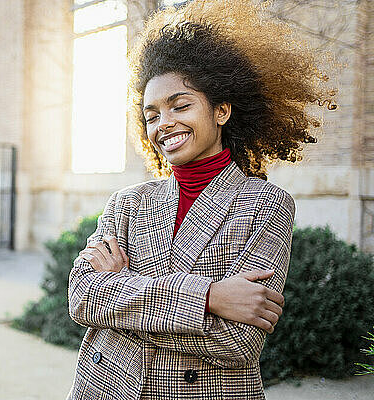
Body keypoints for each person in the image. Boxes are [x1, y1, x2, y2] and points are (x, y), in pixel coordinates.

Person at [66, 0, 338, 399]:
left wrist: (121, 296)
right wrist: (210, 297)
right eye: (152, 114)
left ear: (222, 110)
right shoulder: (127, 202)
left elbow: (237, 342)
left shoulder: (265, 203)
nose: (165, 123)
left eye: (181, 105)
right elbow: (82, 297)